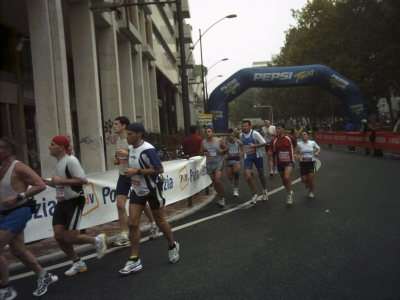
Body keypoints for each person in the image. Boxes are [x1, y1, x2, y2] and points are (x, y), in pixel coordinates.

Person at [0, 137, 58, 298]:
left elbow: (40, 184)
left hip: (18, 211)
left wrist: (18, 197)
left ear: (7, 151)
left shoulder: (19, 168)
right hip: (3, 214)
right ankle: (43, 275)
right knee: (18, 250)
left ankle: (6, 289)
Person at [118, 123, 179, 275]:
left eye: (130, 134)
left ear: (139, 134)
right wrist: (123, 159)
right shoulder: (131, 148)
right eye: (127, 134)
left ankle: (172, 245)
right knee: (132, 223)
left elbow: (159, 169)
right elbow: (133, 158)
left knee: (160, 221)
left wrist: (136, 171)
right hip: (138, 190)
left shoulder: (148, 149)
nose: (127, 136)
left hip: (152, 189)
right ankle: (134, 259)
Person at [42, 136, 107, 276]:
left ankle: (97, 240)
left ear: (61, 147)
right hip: (62, 202)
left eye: (52, 144)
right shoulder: (58, 162)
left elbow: (83, 179)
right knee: (59, 236)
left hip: (74, 200)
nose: (49, 147)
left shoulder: (71, 161)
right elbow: (61, 183)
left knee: (70, 237)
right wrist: (48, 182)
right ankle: (77, 262)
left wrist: (61, 180)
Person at [112, 117, 159, 247]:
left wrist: (127, 155)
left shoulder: (132, 139)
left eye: (116, 124)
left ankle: (153, 223)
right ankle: (123, 235)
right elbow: (118, 158)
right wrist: (116, 160)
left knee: (142, 203)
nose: (113, 127)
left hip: (135, 175)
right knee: (120, 205)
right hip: (123, 174)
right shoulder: (119, 140)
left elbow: (137, 155)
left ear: (124, 126)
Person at [268, 122, 298, 205]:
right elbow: (270, 150)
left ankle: (288, 196)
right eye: (276, 128)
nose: (277, 130)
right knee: (284, 180)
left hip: (289, 160)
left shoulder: (290, 138)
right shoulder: (274, 140)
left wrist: (295, 153)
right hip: (280, 162)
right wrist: (270, 153)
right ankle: (289, 190)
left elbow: (296, 145)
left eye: (279, 128)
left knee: (287, 176)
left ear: (283, 129)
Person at [240, 120, 268, 204]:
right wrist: (241, 151)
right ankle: (254, 194)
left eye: (246, 126)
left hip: (257, 156)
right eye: (243, 126)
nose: (244, 128)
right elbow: (241, 144)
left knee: (261, 175)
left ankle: (265, 191)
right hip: (248, 157)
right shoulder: (241, 135)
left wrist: (255, 145)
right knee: (248, 177)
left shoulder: (255, 133)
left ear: (250, 127)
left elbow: (264, 143)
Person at [199, 127, 228, 207]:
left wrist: (221, 151)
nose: (207, 133)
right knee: (214, 182)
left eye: (209, 131)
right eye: (206, 132)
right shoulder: (203, 142)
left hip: (218, 162)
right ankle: (219, 195)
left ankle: (222, 197)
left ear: (212, 132)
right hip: (209, 164)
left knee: (218, 180)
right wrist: (204, 153)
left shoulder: (219, 140)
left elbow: (226, 148)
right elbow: (200, 152)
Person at [294, 131, 321, 198]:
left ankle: (311, 191)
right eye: (302, 135)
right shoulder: (298, 144)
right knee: (304, 180)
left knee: (311, 178)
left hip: (311, 163)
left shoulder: (312, 142)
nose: (303, 136)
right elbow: (295, 152)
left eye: (305, 134)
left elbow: (319, 148)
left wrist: (318, 152)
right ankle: (307, 183)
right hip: (302, 163)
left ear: (308, 135)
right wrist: (296, 156)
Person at [224, 128, 243, 197]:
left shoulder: (237, 141)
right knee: (230, 177)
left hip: (236, 159)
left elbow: (241, 146)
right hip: (228, 160)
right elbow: (221, 149)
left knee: (236, 174)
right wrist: (224, 154)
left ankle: (235, 190)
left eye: (232, 135)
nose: (230, 137)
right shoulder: (225, 141)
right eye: (229, 135)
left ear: (234, 135)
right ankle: (231, 180)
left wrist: (241, 151)